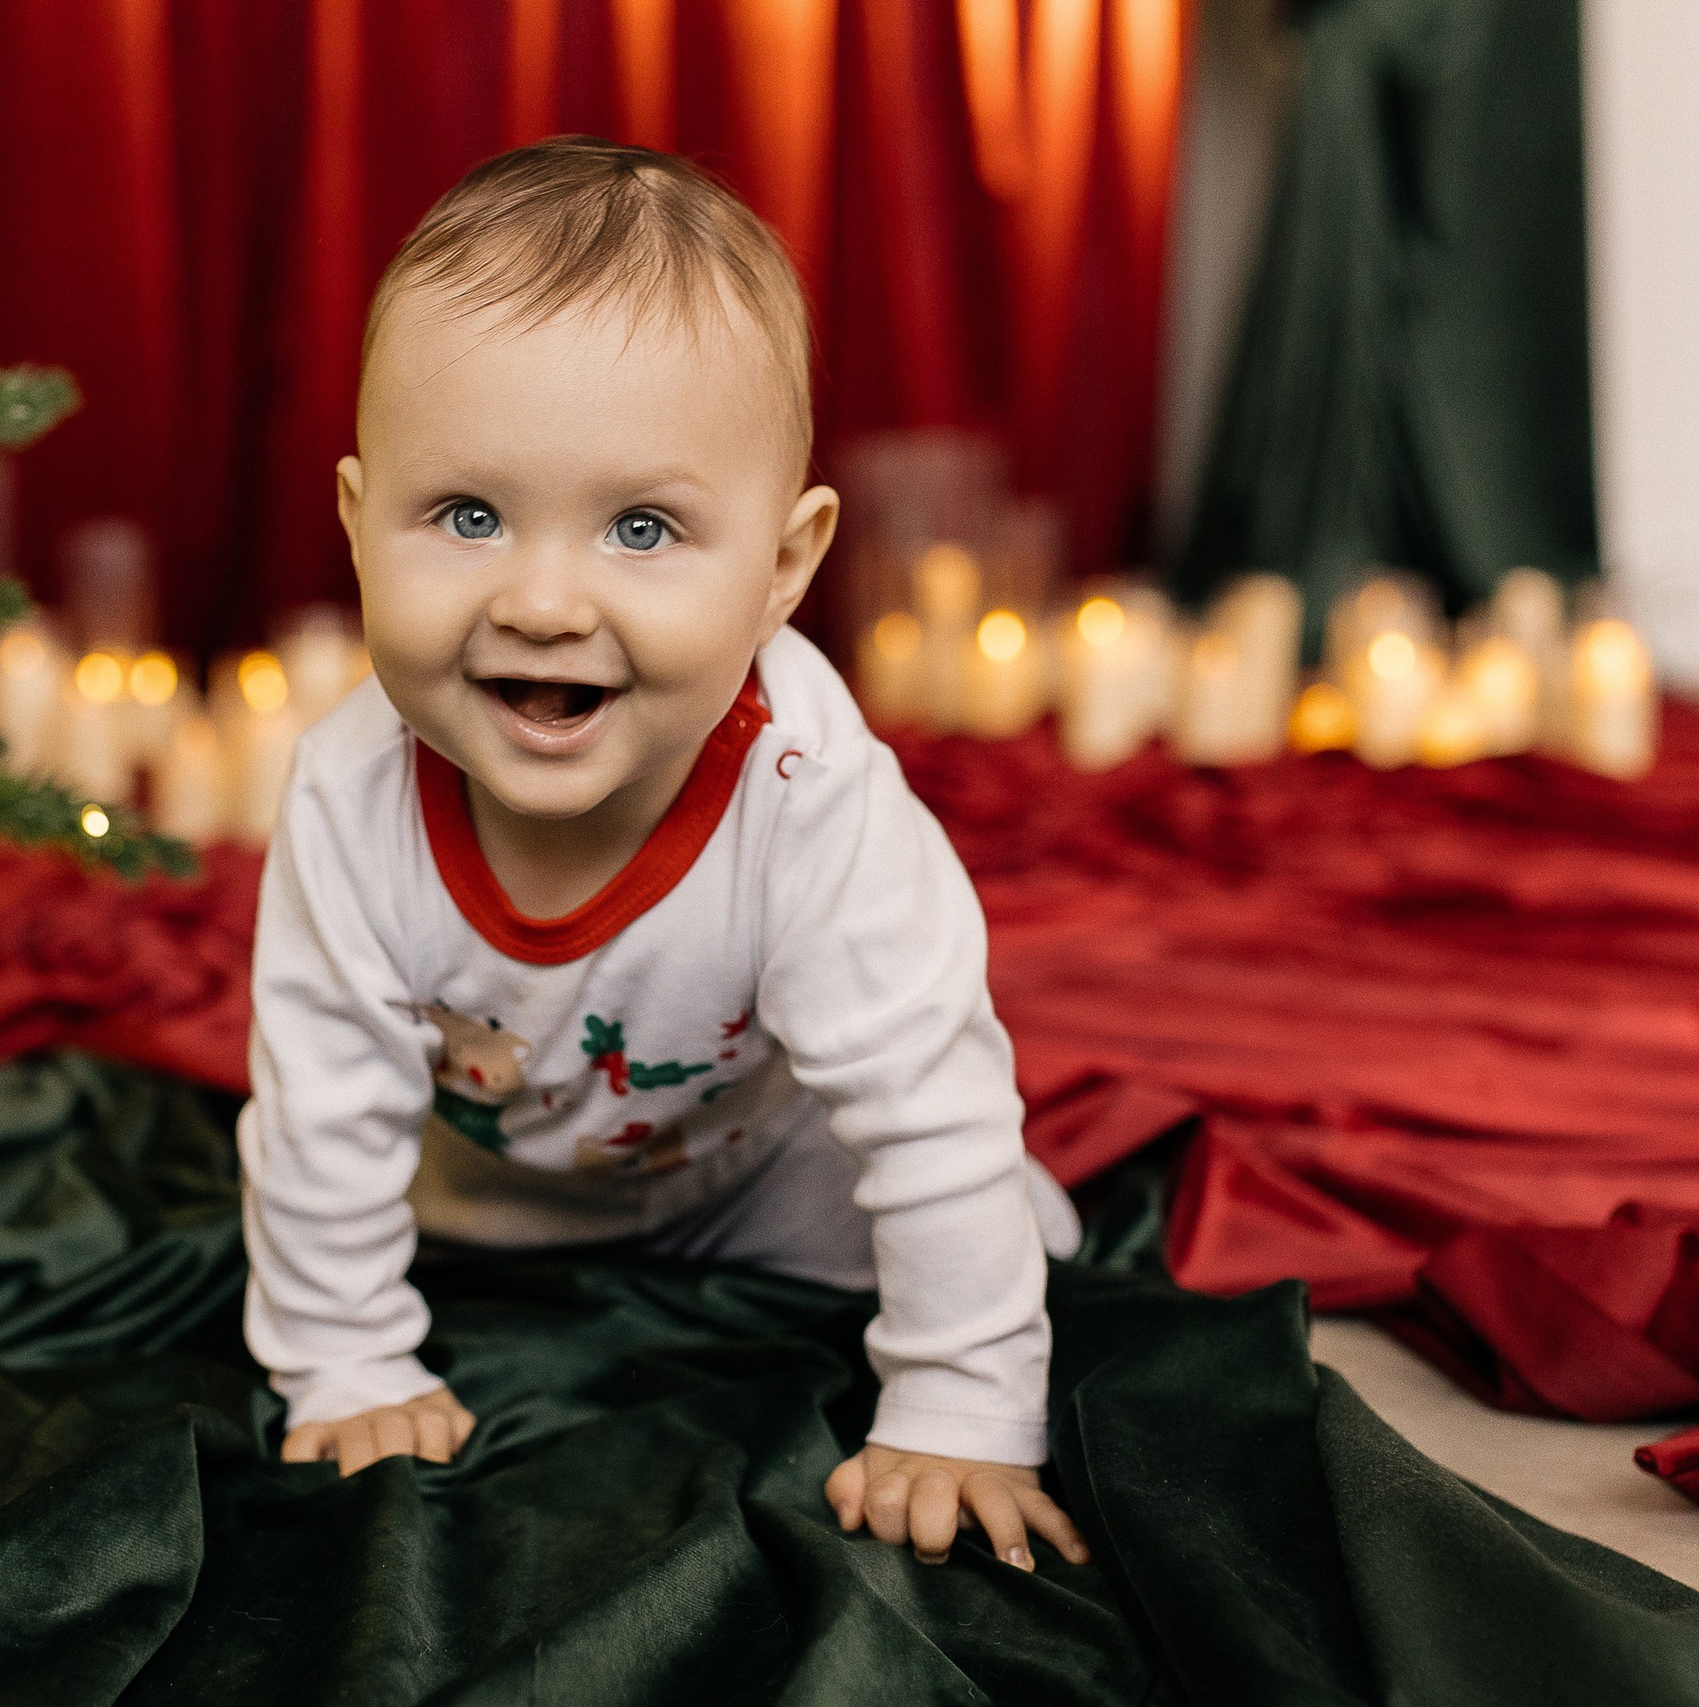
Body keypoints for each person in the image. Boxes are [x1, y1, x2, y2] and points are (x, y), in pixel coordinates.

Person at [239, 136, 1090, 1572]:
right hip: (488, 1191)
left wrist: (959, 1407)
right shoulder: (349, 792)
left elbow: (925, 1104)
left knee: (1000, 1226)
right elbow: (325, 1106)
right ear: (358, 526)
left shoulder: (811, 798)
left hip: (768, 1165)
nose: (545, 602)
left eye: (641, 528)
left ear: (782, 569)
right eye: (467, 517)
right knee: (336, 1187)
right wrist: (346, 1358)